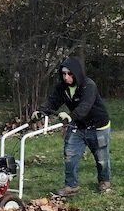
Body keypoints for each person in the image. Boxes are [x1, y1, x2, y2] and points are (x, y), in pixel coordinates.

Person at [34, 56, 112, 196]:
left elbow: (85, 106)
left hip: (98, 126)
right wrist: (41, 112)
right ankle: (71, 186)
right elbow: (52, 102)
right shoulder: (61, 88)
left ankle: (104, 181)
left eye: (70, 74)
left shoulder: (89, 85)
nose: (66, 77)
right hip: (78, 126)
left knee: (101, 158)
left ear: (76, 73)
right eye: (63, 74)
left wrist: (70, 116)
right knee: (70, 155)